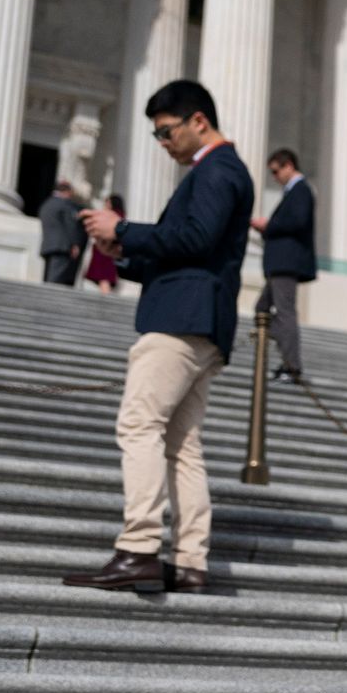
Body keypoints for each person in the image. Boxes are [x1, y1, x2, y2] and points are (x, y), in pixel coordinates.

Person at [62, 80, 252, 595]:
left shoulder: (218, 169)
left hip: (182, 321)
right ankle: (190, 560)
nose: (162, 142)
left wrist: (122, 230)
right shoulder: (218, 170)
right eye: (156, 135)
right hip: (201, 319)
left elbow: (195, 239)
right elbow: (191, 251)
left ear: (198, 121)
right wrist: (125, 252)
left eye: (166, 132)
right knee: (181, 445)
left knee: (139, 424)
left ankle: (138, 548)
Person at [250, 148, 315, 384]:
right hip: (280, 264)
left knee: (284, 314)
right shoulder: (294, 192)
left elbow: (297, 221)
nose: (274, 177)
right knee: (262, 310)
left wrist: (269, 225)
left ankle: (292, 366)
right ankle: (288, 360)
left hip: (286, 263)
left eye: (276, 171)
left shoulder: (301, 190)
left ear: (288, 165)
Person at [36, 180, 86, 286]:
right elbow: (71, 225)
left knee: (48, 277)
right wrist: (75, 244)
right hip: (62, 246)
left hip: (48, 246)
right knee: (55, 280)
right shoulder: (64, 204)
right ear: (67, 191)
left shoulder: (46, 204)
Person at [82, 194, 126, 295]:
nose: (105, 205)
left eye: (107, 202)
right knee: (103, 279)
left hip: (106, 253)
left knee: (104, 277)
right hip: (106, 251)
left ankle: (105, 301)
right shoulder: (119, 216)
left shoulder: (113, 217)